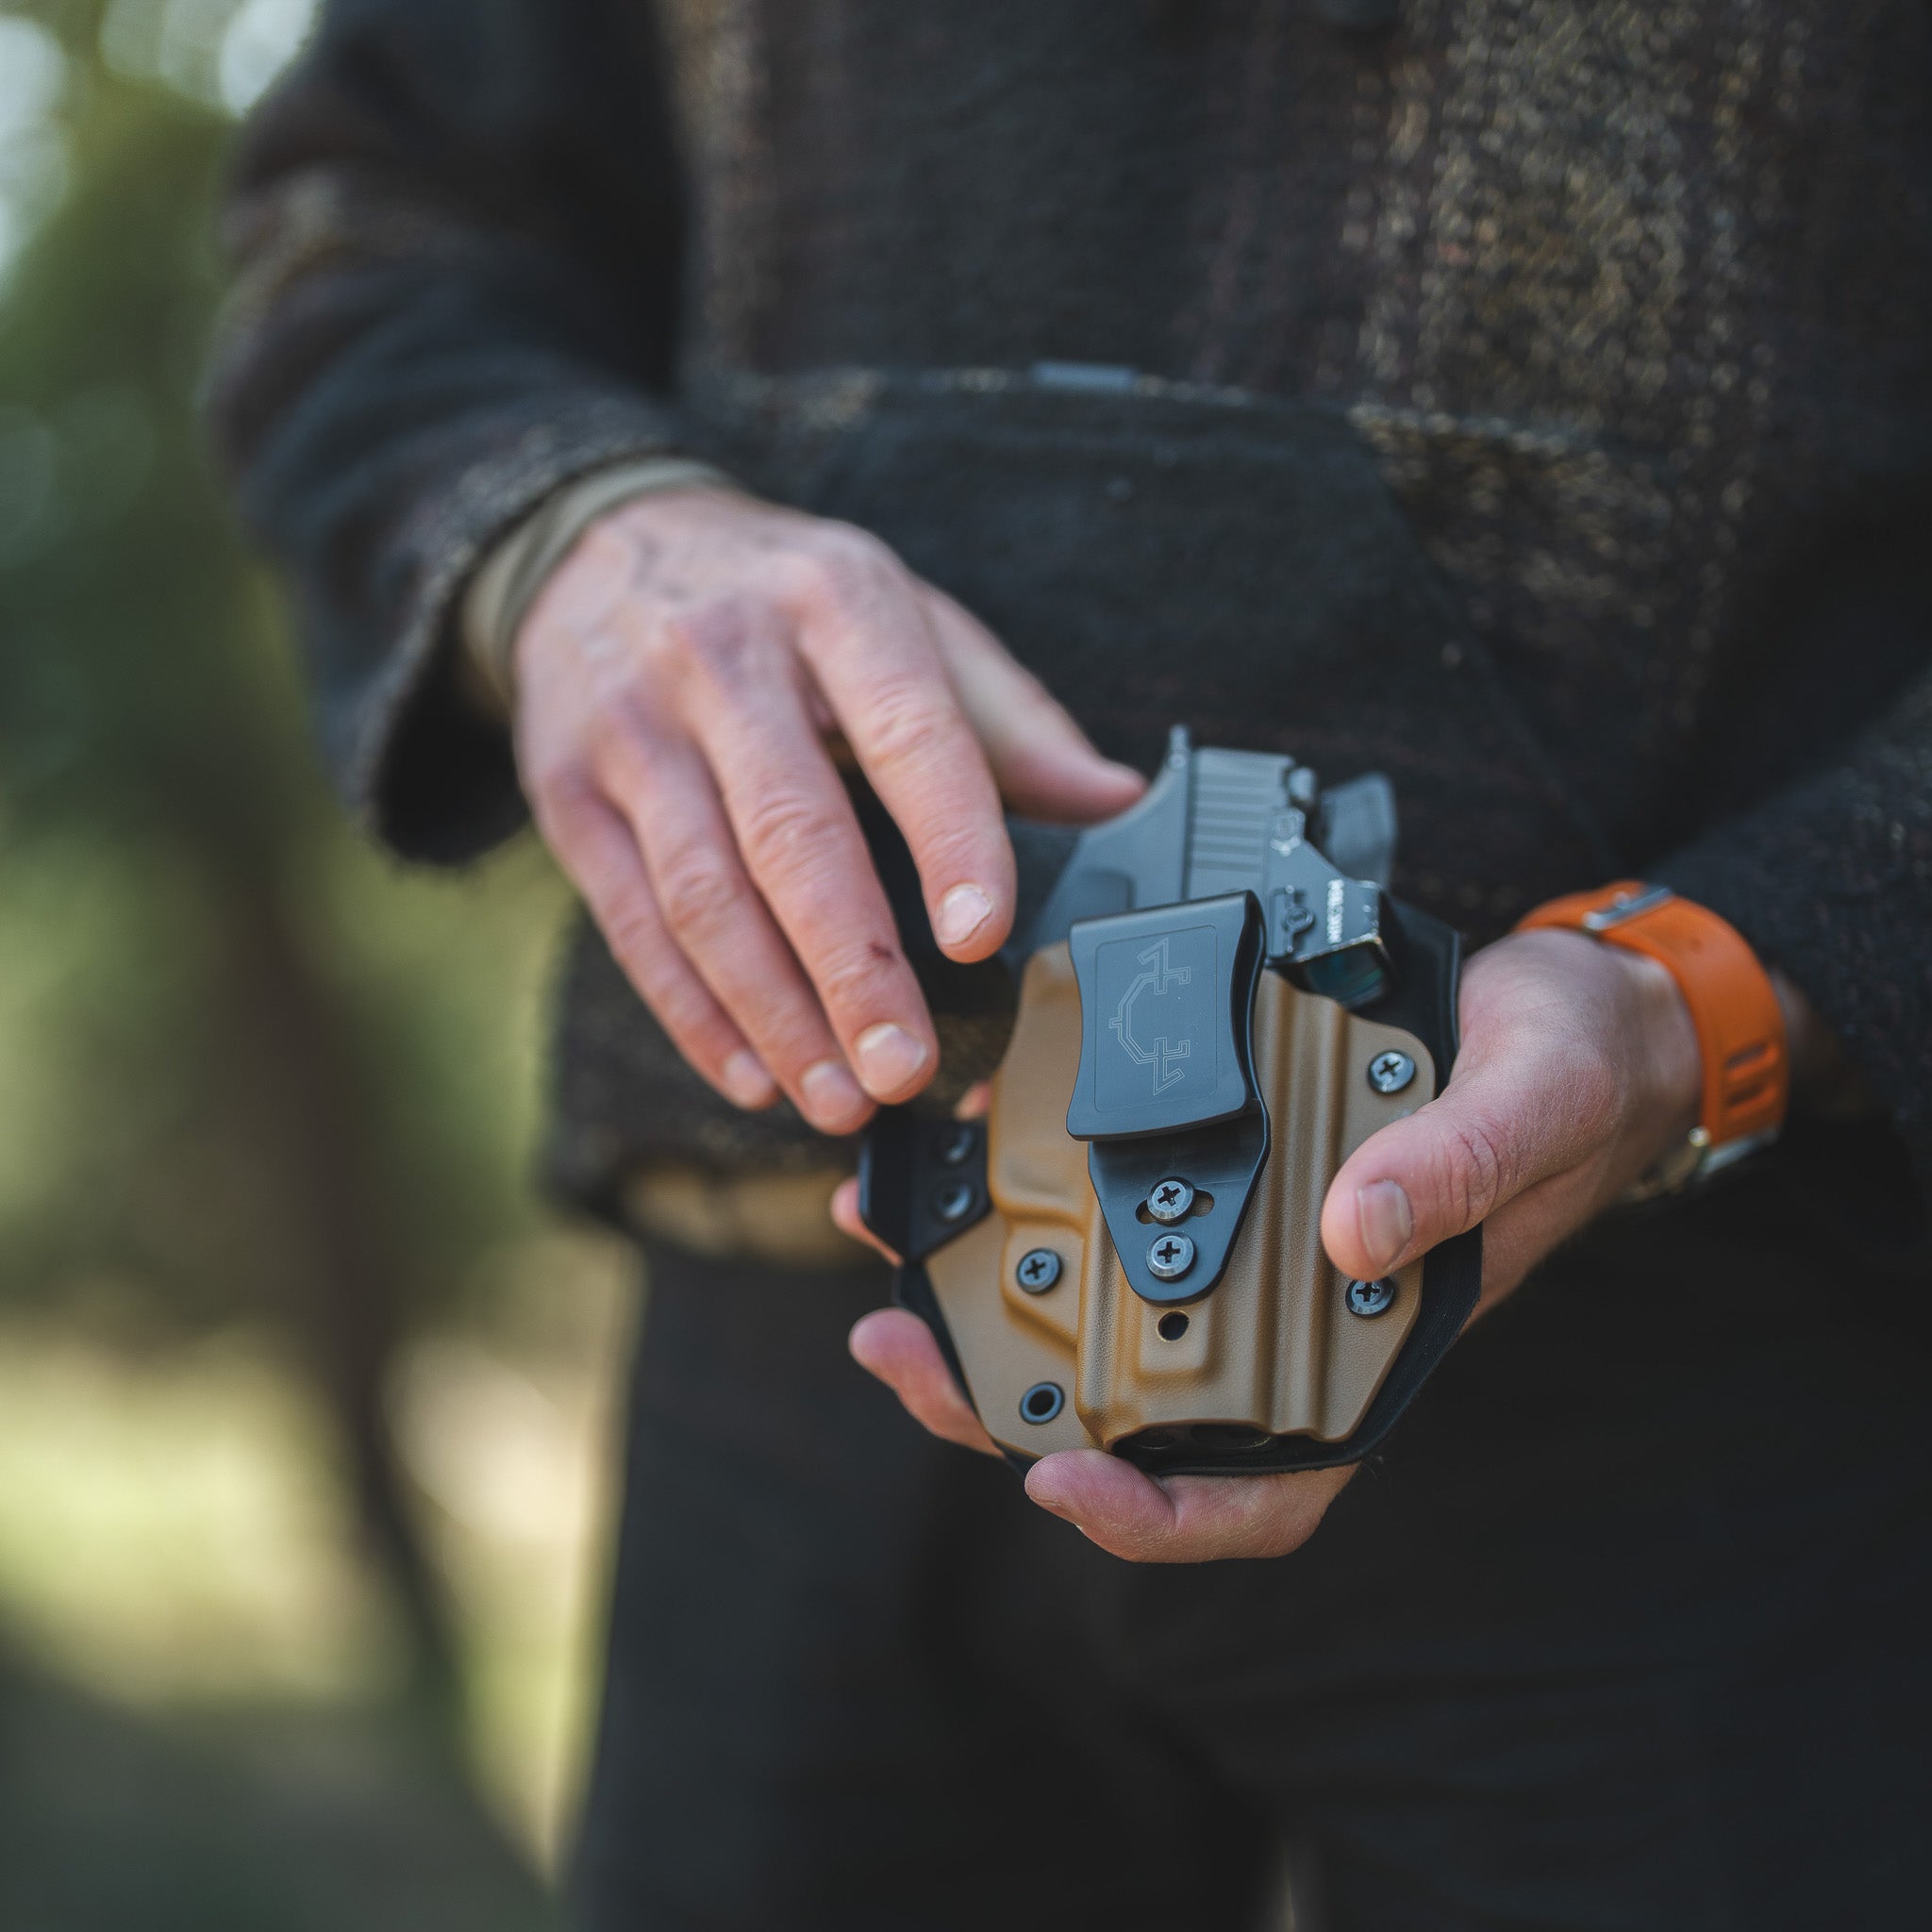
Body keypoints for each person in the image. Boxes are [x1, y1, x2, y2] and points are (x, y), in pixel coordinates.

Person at [210, 2, 1932, 1924]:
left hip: (1723, 1366)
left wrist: (1724, 981)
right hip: (809, 1310)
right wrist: (574, 542)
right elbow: (374, 218)